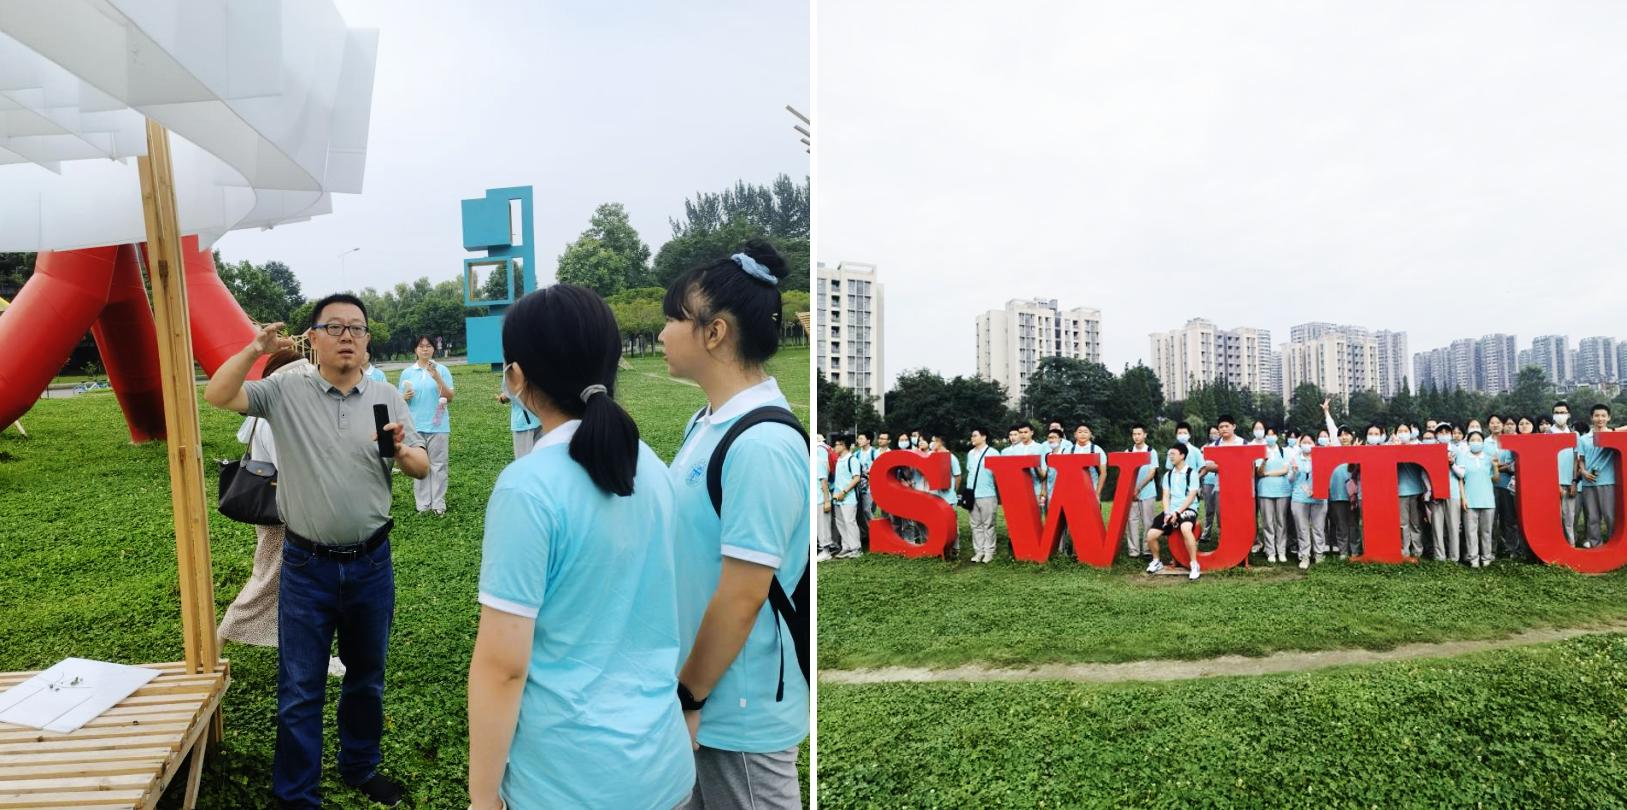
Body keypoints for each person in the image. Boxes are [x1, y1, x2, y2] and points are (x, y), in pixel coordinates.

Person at [466, 284, 692, 809]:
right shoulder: (654, 468)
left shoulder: (527, 488)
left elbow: (502, 667)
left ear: (515, 377)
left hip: (567, 783)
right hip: (663, 769)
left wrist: (482, 798)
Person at [203, 294, 429, 808]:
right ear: (314, 338)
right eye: (335, 326)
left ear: (367, 340)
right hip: (307, 566)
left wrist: (400, 449)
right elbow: (219, 394)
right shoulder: (286, 389)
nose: (347, 336)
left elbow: (420, 467)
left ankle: (360, 766)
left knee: (366, 678)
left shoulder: (386, 396)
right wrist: (254, 349)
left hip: (371, 563)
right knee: (301, 686)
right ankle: (296, 795)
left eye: (357, 328)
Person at [660, 241, 808, 807]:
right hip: (699, 697)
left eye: (675, 318)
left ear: (715, 332)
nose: (664, 332)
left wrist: (690, 696)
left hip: (736, 709)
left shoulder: (762, 443)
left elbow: (743, 595)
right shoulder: (707, 422)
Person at [217, 350, 323, 656]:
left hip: (284, 512)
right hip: (284, 515)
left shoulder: (272, 412)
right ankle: (216, 643)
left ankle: (302, 648)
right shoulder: (275, 417)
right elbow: (291, 468)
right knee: (266, 583)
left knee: (287, 585)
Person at [398, 336, 455, 515]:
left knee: (438, 465)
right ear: (415, 349)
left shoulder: (442, 370)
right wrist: (404, 397)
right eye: (421, 346)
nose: (424, 349)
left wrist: (436, 376)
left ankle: (438, 504)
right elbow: (399, 402)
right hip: (415, 426)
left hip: (438, 425)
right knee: (419, 465)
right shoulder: (407, 373)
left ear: (433, 349)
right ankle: (422, 504)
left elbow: (449, 397)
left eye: (428, 346)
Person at [1147, 442, 1202, 581]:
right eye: (1169, 454)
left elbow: (1191, 496)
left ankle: (1194, 564)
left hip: (1188, 508)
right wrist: (1167, 513)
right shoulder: (1168, 475)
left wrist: (1177, 513)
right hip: (1171, 510)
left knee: (1185, 528)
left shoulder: (1192, 473)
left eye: (1173, 454)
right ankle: (1157, 561)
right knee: (1151, 535)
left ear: (1182, 455)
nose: (1170, 457)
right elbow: (1166, 496)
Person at [1578, 404, 1619, 549]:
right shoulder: (1584, 439)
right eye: (1596, 415)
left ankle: (1615, 544)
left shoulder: (1614, 436)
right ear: (1591, 418)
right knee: (1592, 517)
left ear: (1609, 418)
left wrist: (1614, 430)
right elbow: (1581, 459)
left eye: (1603, 415)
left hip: (1608, 481)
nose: (1600, 419)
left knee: (1610, 515)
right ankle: (1596, 545)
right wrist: (1584, 472)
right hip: (1588, 483)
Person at [1201, 415, 1244, 543]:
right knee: (1222, 515)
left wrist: (1222, 465)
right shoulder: (1214, 445)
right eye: (1221, 427)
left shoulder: (1243, 443)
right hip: (1220, 486)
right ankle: (1224, 541)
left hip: (1239, 486)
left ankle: (1239, 541)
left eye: (1226, 426)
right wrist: (1231, 466)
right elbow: (1209, 465)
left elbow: (1246, 465)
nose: (1224, 429)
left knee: (1238, 514)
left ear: (1233, 426)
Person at [1321, 401, 1357, 557]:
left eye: (1346, 434)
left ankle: (1355, 550)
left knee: (1353, 524)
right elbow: (1331, 427)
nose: (1343, 437)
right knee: (1341, 524)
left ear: (1352, 436)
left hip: (1353, 495)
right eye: (1341, 435)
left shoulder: (1358, 451)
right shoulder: (1333, 450)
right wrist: (1326, 412)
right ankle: (1343, 551)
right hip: (1337, 494)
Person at [1457, 430, 1497, 567]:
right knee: (1470, 532)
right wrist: (1463, 498)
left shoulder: (1489, 458)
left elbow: (1495, 479)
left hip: (1487, 500)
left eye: (1478, 440)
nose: (1476, 442)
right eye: (1472, 440)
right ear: (1468, 443)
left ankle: (1486, 557)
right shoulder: (1463, 457)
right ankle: (1473, 558)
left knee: (1487, 531)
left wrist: (1495, 467)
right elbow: (1461, 479)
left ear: (1483, 442)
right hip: (1470, 500)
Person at [1288, 433, 1327, 568]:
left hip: (1318, 498)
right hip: (1299, 498)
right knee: (1302, 528)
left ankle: (1319, 554)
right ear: (1300, 444)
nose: (1307, 445)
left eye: (1309, 442)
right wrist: (1294, 471)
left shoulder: (1321, 458)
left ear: (1315, 444)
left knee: (1318, 528)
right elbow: (1290, 480)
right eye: (1304, 442)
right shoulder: (1295, 459)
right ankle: (1304, 556)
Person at [1255, 424, 1291, 564]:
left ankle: (1281, 550)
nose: (1270, 437)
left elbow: (1285, 470)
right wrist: (1264, 461)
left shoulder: (1283, 451)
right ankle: (1270, 551)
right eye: (1268, 435)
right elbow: (1259, 472)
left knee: (1281, 521)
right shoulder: (1261, 451)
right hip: (1265, 491)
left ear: (1277, 436)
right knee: (1267, 522)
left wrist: (1268, 473)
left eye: (1273, 434)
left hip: (1282, 490)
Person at [965, 428, 1002, 563]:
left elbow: (998, 474)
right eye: (972, 436)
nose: (972, 438)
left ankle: (989, 551)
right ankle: (979, 551)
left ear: (984, 437)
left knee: (988, 524)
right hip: (972, 494)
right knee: (975, 525)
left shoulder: (993, 453)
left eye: (975, 435)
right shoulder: (970, 453)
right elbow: (969, 471)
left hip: (987, 494)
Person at [1428, 424, 1463, 562]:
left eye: (1446, 432)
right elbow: (1425, 473)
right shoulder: (1431, 450)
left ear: (1451, 434)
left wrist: (1452, 463)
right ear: (1436, 435)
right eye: (1440, 432)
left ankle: (1454, 557)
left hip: (1453, 492)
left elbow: (1462, 474)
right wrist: (1430, 490)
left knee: (1453, 526)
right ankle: (1440, 556)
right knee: (1437, 526)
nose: (1444, 434)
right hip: (1436, 492)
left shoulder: (1457, 450)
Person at [1124, 424, 1159, 559]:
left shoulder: (1151, 451)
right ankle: (1133, 550)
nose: (1136, 437)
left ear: (1145, 435)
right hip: (1131, 492)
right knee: (1131, 521)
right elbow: (1125, 473)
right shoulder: (1128, 452)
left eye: (1139, 434)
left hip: (1147, 491)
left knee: (1148, 521)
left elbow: (1151, 473)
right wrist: (1132, 489)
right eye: (1134, 434)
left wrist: (1138, 488)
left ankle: (1147, 550)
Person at [1395, 423, 1425, 560]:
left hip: (1416, 491)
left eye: (1405, 430)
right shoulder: (1391, 448)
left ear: (1410, 433)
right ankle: (1404, 551)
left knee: (1416, 523)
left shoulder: (1417, 448)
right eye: (1400, 431)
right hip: (1400, 492)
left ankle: (1418, 550)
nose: (1403, 433)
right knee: (1403, 524)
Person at [930, 435, 963, 560]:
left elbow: (958, 476)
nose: (931, 443)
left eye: (934, 441)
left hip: (949, 499)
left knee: (952, 525)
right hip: (935, 498)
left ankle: (955, 549)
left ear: (940, 442)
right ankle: (940, 549)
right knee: (938, 525)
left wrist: (954, 490)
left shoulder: (951, 457)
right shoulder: (932, 456)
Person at [830, 435, 864, 559]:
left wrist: (844, 492)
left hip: (848, 498)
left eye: (836, 445)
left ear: (843, 445)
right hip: (837, 498)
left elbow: (856, 478)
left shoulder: (852, 460)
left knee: (850, 522)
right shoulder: (839, 460)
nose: (834, 447)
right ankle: (846, 546)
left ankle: (856, 548)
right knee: (840, 522)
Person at [496, 371, 543, 459]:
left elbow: (509, 391)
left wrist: (502, 398)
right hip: (541, 417)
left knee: (524, 459)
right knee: (540, 458)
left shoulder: (512, 365)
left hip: (523, 421)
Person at [1554, 401, 1579, 546]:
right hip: (1553, 484)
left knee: (1569, 518)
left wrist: (1574, 481)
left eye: (1562, 412)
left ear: (1568, 415)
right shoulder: (1547, 434)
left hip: (1569, 483)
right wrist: (1554, 483)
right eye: (1557, 413)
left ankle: (1571, 546)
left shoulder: (1574, 434)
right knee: (1554, 518)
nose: (1560, 415)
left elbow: (1576, 459)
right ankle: (1556, 547)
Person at [853, 431, 878, 546]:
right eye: (858, 438)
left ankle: (875, 535)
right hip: (859, 486)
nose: (859, 441)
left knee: (867, 510)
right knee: (860, 511)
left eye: (861, 438)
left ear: (868, 440)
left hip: (871, 486)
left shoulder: (874, 453)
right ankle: (866, 536)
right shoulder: (856, 454)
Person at [815, 434, 836, 562]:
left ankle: (826, 550)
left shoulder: (818, 462)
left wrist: (826, 501)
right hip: (816, 498)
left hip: (820, 499)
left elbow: (823, 482)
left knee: (823, 526)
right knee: (819, 525)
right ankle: (824, 548)